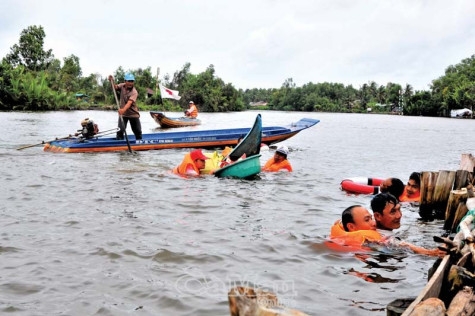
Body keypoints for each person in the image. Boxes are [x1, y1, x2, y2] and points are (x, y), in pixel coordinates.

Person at [370, 193, 445, 256]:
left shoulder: (375, 231)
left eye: (399, 209)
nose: (399, 215)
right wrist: (433, 252)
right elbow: (402, 245)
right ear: (378, 216)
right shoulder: (385, 239)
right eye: (392, 212)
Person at [109, 73, 142, 140]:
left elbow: (129, 103)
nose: (130, 83)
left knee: (137, 131)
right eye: (129, 81)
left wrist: (123, 110)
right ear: (125, 81)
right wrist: (111, 81)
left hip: (133, 114)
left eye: (132, 81)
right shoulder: (122, 86)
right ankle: (119, 144)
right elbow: (115, 87)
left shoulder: (134, 92)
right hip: (124, 114)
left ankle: (139, 145)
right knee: (120, 131)